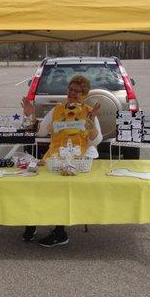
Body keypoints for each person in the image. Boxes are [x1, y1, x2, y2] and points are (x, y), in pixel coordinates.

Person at [21, 75, 102, 247]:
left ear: (85, 94)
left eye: (78, 91)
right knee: (35, 187)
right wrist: (31, 115)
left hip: (75, 161)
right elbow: (41, 132)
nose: (73, 93)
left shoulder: (89, 111)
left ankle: (60, 232)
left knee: (60, 191)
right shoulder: (57, 110)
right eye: (70, 89)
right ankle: (32, 221)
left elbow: (96, 140)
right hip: (52, 159)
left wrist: (91, 121)